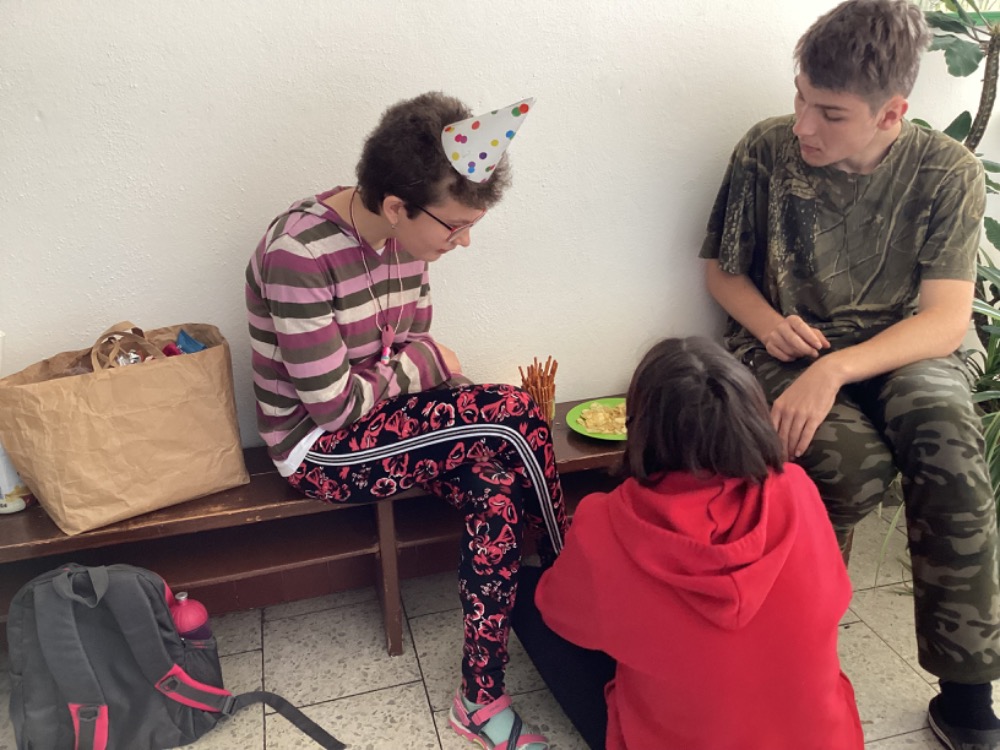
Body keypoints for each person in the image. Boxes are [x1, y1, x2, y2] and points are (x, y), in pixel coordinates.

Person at [699, 1, 1000, 747]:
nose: (804, 125)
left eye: (830, 113)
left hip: (904, 348)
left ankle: (965, 696)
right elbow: (722, 272)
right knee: (846, 465)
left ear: (893, 113)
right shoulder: (765, 150)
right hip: (783, 344)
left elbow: (944, 321)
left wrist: (836, 369)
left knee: (947, 436)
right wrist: (769, 325)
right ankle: (793, 657)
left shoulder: (948, 172)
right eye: (801, 98)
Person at [245, 92, 563, 750]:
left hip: (386, 424)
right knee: (514, 411)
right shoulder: (298, 254)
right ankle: (573, 568)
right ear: (396, 206)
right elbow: (335, 406)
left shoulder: (411, 244)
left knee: (499, 487)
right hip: (319, 449)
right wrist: (426, 366)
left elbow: (414, 353)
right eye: (455, 226)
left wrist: (431, 373)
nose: (464, 241)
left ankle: (480, 699)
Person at [511, 336, 863, 749]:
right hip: (822, 740)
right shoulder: (798, 489)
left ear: (639, 426)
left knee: (524, 593)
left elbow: (560, 615)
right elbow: (834, 596)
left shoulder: (604, 523)